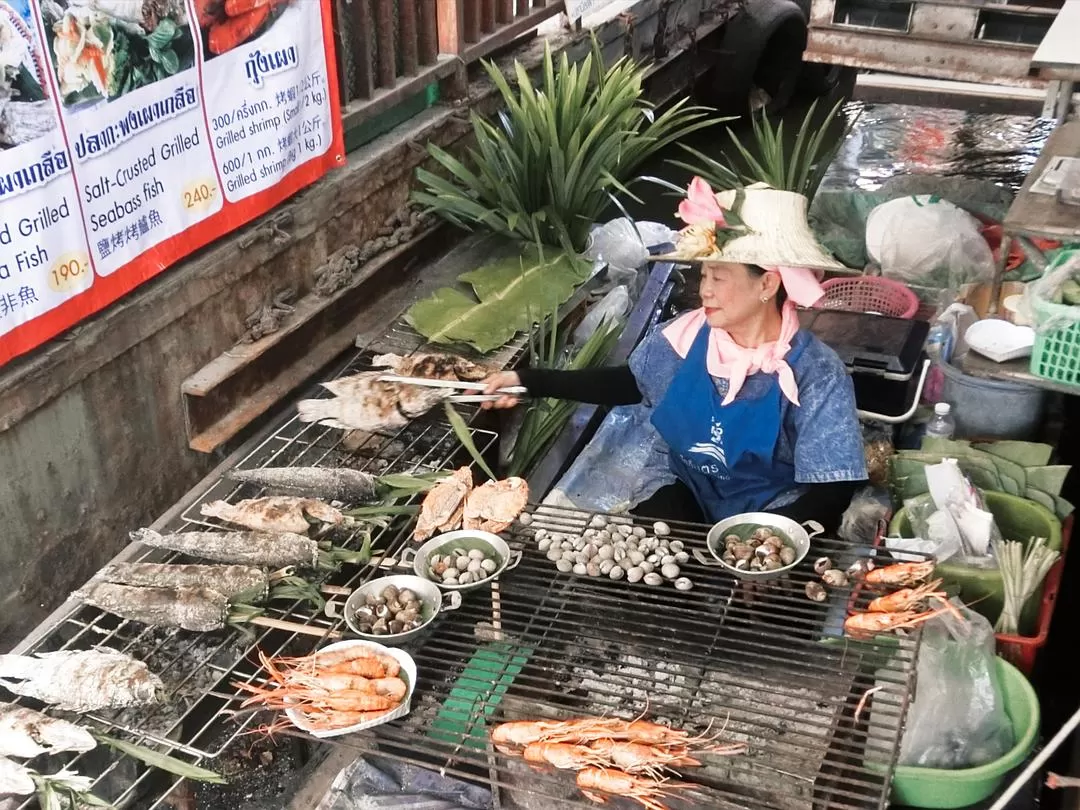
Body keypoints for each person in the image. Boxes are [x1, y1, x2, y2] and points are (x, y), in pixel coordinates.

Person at [482, 178, 868, 531]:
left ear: (767, 283)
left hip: (772, 506)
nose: (705, 291)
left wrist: (768, 537)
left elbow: (833, 487)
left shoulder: (816, 374)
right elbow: (629, 383)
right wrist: (529, 381)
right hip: (687, 482)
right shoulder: (688, 335)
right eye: (704, 275)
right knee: (657, 545)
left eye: (720, 277)